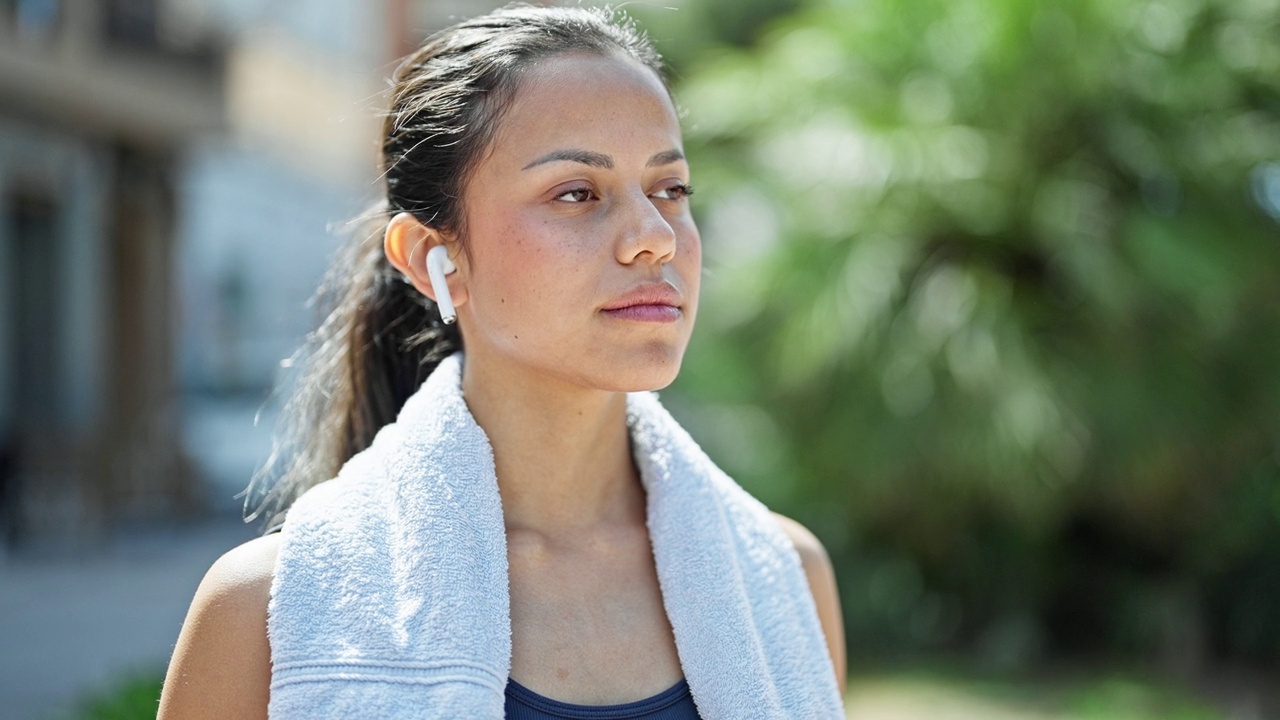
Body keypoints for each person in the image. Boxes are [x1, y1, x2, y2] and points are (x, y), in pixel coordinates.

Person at [158, 5, 845, 719]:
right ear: (432, 258)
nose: (654, 238)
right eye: (576, 193)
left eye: (670, 189)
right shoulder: (261, 612)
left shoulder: (784, 578)